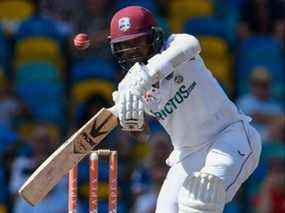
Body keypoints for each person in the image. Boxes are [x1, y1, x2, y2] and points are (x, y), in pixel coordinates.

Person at [109, 6, 262, 213]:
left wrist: (144, 78)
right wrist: (133, 123)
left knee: (201, 199)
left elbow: (192, 44)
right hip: (187, 154)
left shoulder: (176, 45)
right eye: (124, 46)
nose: (131, 51)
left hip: (230, 136)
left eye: (137, 43)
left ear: (153, 37)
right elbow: (143, 135)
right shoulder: (128, 88)